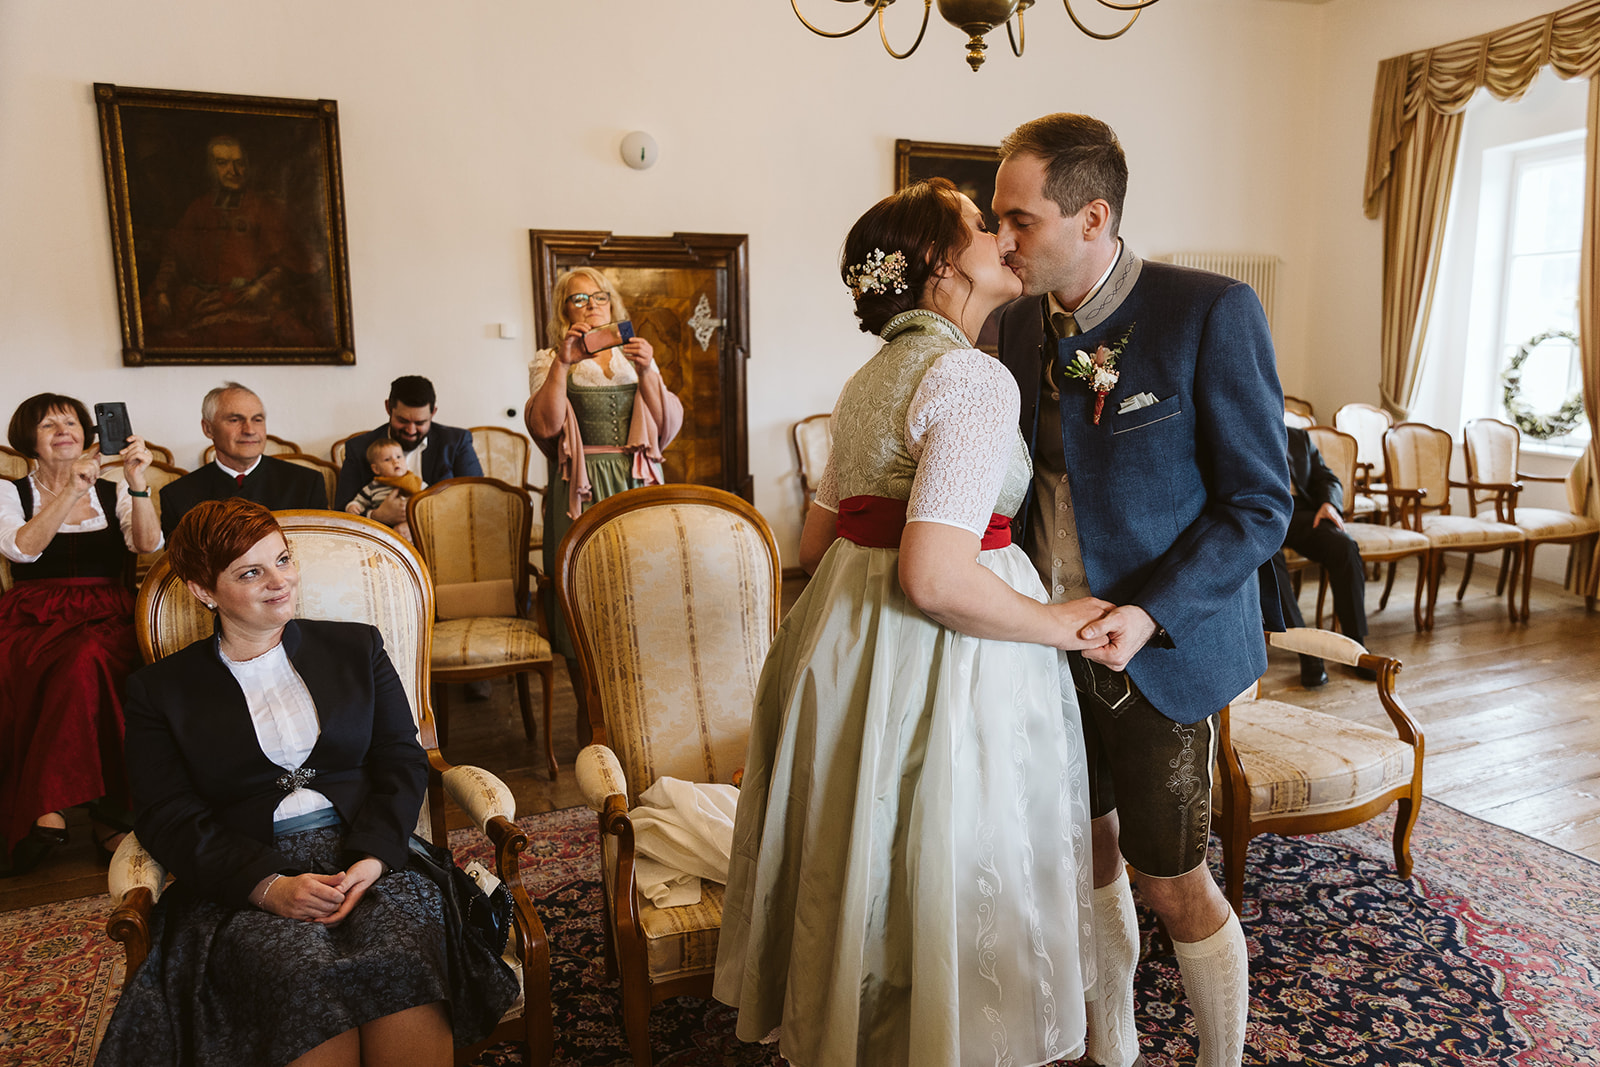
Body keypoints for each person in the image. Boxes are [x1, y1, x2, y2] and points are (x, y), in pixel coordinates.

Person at [715, 178, 1109, 1067]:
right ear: (937, 263)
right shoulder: (969, 375)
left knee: (869, 855)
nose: (1001, 236)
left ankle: (860, 1032)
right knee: (947, 850)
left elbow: (818, 542)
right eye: (981, 223)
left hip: (844, 643)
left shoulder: (864, 380)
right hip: (946, 654)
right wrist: (1058, 624)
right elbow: (935, 577)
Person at [993, 113, 1292, 1067]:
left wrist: (1150, 609)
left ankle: (1222, 1057)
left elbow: (1259, 503)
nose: (1003, 240)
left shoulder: (1208, 310)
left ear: (1092, 215)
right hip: (1043, 645)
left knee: (1174, 883)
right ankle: (1110, 1038)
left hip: (1164, 650)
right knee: (1087, 858)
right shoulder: (1005, 328)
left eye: (1019, 219)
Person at [96, 499, 518, 1067]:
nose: (280, 582)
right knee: (298, 973)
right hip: (241, 871)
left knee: (401, 954)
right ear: (203, 590)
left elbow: (402, 758)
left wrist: (372, 859)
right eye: (251, 572)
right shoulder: (160, 690)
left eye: (283, 560)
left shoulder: (356, 647)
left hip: (370, 852)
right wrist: (266, 885)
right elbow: (166, 812)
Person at [0, 392, 161, 874]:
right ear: (29, 440)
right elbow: (22, 551)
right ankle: (105, 813)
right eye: (49, 426)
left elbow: (150, 544)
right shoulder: (9, 491)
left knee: (90, 656)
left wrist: (136, 484)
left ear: (89, 434)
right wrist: (70, 489)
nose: (63, 431)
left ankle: (54, 807)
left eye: (71, 423)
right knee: (63, 660)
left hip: (108, 610)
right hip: (34, 614)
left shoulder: (112, 492)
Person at [522, 268, 683, 691]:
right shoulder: (549, 358)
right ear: (563, 308)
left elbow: (664, 425)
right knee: (587, 586)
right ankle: (588, 693)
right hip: (582, 485)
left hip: (637, 481)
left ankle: (645, 684)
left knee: (640, 581)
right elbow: (546, 425)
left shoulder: (634, 355)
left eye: (600, 297)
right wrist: (563, 361)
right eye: (579, 299)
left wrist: (650, 370)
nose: (592, 306)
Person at [145, 134, 333, 348]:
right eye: (222, 163)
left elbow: (288, 261)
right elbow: (174, 256)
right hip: (199, 303)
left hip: (249, 303)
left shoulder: (265, 207)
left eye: (239, 163)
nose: (232, 171)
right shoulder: (199, 207)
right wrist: (162, 291)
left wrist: (261, 286)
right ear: (211, 168)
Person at [1267, 424, 1373, 688]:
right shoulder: (1238, 432)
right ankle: (1308, 651)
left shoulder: (1299, 437)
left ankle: (1356, 645)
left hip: (1303, 513)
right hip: (1263, 512)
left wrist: (1329, 503)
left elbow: (1327, 478)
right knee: (1265, 555)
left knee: (1344, 546)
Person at [160, 382, 327, 536]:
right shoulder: (178, 495)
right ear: (208, 429)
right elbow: (177, 566)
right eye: (235, 420)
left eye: (257, 420)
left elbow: (321, 552)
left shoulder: (306, 483)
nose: (249, 430)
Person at [334, 376, 481, 514]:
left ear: (433, 413)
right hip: (382, 537)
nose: (411, 431)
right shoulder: (359, 447)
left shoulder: (456, 442)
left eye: (420, 423)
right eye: (402, 421)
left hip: (443, 534)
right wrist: (376, 516)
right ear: (388, 408)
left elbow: (476, 500)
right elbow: (342, 511)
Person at [344, 437, 425, 542]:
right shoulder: (373, 486)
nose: (395, 461)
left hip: (412, 532)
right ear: (376, 469)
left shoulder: (416, 482)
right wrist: (353, 506)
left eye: (399, 457)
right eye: (387, 459)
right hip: (382, 533)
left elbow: (429, 503)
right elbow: (360, 500)